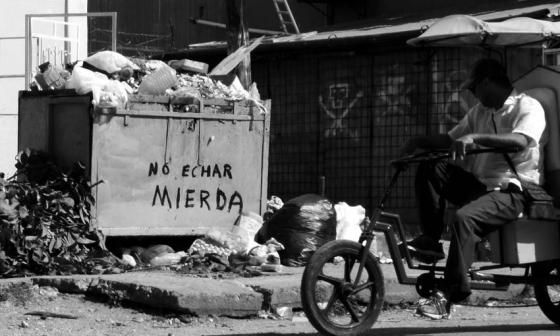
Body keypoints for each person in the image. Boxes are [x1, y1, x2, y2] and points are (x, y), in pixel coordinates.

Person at [400, 58, 548, 319]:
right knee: (431, 167)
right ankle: (431, 241)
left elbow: (520, 141)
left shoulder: (528, 106)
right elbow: (450, 140)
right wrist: (418, 142)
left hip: (513, 191)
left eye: (474, 89)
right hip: (480, 187)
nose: (472, 95)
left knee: (463, 218)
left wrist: (475, 138)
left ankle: (449, 294)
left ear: (487, 82)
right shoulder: (480, 112)